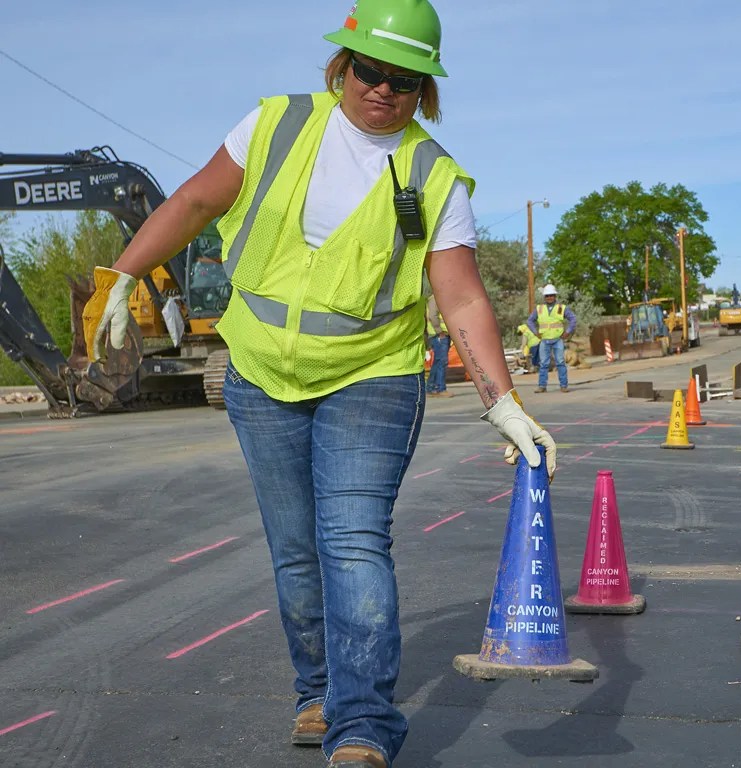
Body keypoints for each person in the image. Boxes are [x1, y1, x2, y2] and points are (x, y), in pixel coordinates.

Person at [79, 2, 557, 766]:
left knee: (353, 543)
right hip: (261, 373)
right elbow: (196, 200)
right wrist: (123, 275)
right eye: (371, 70)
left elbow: (462, 295)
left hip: (372, 378)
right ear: (343, 64)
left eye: (405, 80)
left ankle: (362, 724)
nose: (384, 89)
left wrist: (502, 402)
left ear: (425, 89)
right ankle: (318, 692)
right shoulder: (274, 125)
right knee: (296, 549)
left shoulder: (435, 177)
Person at [527, 283, 576, 393]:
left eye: (551, 295)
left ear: (555, 296)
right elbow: (530, 321)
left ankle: (564, 386)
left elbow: (573, 319)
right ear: (544, 297)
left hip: (558, 339)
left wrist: (568, 332)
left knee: (560, 363)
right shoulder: (539, 309)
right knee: (543, 364)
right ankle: (542, 386)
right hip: (544, 340)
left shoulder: (561, 308)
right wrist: (535, 332)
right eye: (547, 295)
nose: (549, 297)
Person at [425, 294, 453, 397]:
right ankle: (440, 388)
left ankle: (431, 387)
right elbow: (432, 316)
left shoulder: (441, 298)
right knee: (442, 362)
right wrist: (439, 331)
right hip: (439, 335)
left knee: (438, 362)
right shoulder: (435, 299)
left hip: (443, 334)